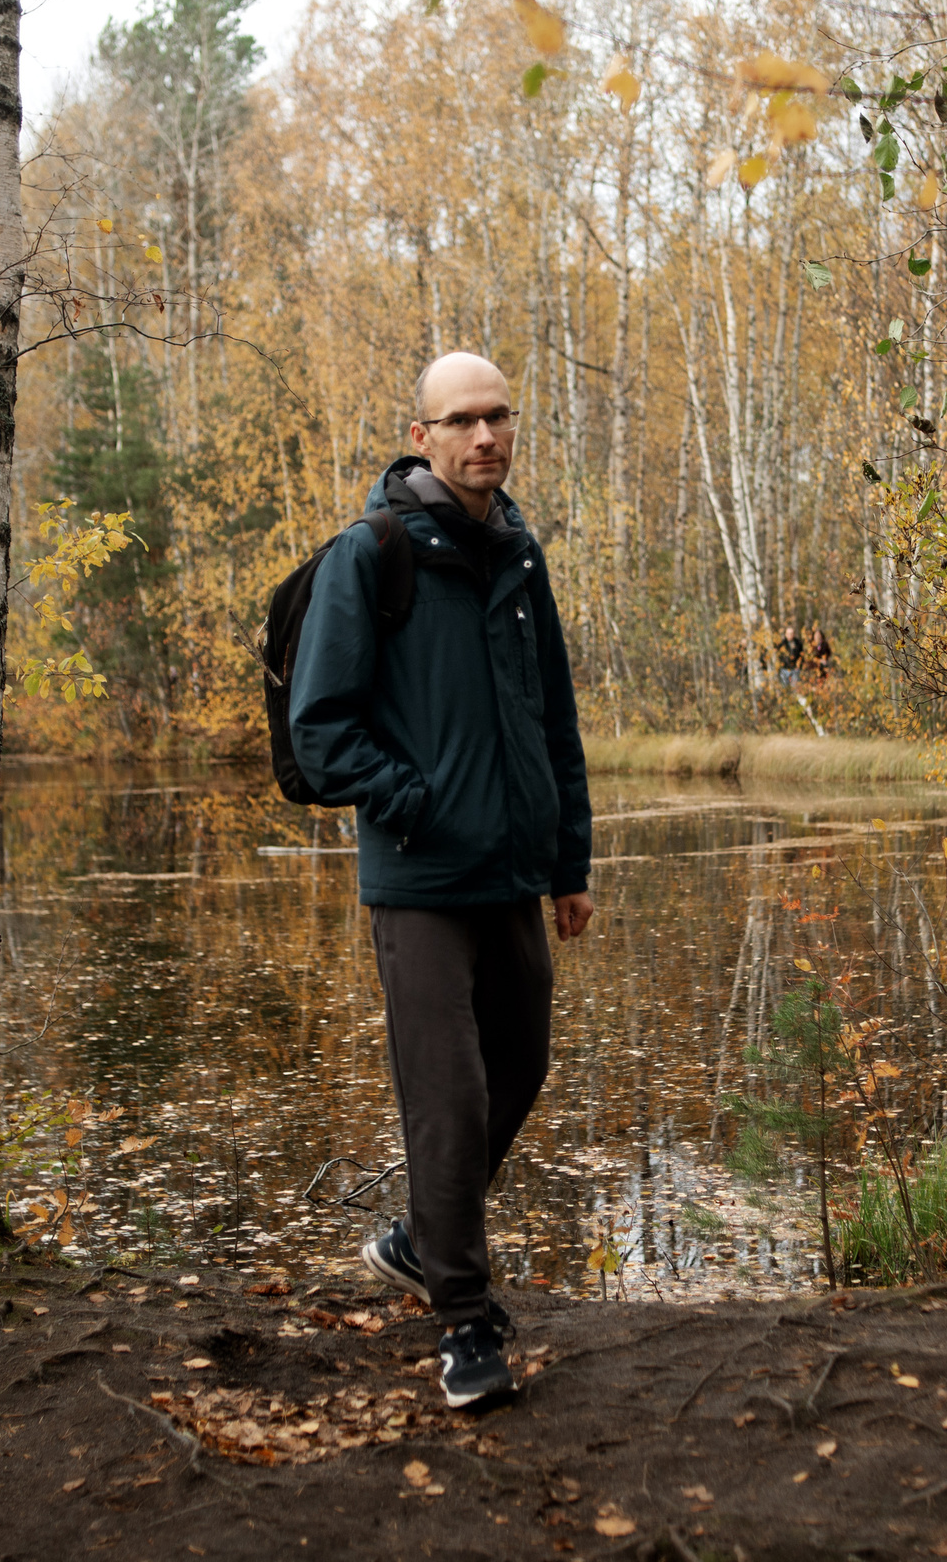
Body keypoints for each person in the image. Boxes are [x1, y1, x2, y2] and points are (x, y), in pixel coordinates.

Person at [287, 351, 594, 1410]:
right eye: (460, 420)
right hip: (419, 882)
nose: (484, 437)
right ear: (420, 435)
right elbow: (321, 731)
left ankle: (422, 1240)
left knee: (522, 1066)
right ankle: (464, 1321)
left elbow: (553, 718)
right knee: (449, 1101)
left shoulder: (519, 552)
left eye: (498, 416)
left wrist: (569, 861)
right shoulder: (370, 554)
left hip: (513, 873)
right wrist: (417, 804)